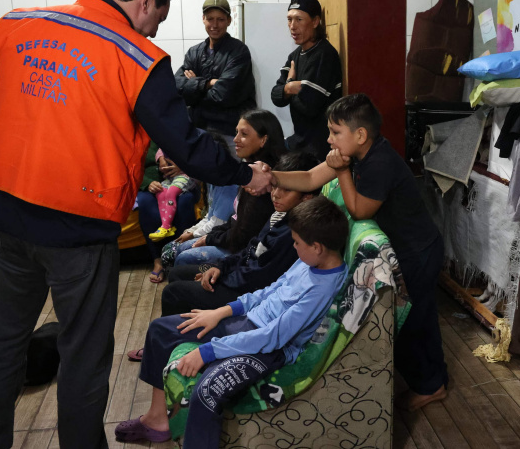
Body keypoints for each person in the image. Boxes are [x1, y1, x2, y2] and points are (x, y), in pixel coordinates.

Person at [0, 0, 273, 449]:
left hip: (6, 216)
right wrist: (244, 173)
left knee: (2, 341)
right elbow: (186, 145)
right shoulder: (137, 57)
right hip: (78, 232)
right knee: (82, 353)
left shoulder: (14, 25)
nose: (153, 30)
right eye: (159, 18)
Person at [114, 196, 349, 446]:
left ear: (317, 247)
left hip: (268, 349)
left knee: (208, 390)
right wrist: (221, 312)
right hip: (248, 323)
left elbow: (273, 337)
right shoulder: (309, 262)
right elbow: (269, 291)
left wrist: (207, 352)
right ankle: (157, 420)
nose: (293, 247)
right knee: (160, 329)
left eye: (297, 243)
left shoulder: (322, 287)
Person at [270, 93, 449, 412]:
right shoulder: (351, 153)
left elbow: (361, 210)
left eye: (335, 132)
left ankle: (431, 386)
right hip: (408, 248)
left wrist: (340, 171)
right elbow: (310, 177)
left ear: (360, 135)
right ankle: (428, 379)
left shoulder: (380, 161)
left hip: (418, 250)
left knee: (416, 320)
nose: (329, 139)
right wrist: (270, 177)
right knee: (415, 319)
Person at [126, 151, 320, 362]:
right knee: (179, 273)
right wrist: (220, 266)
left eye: (286, 189)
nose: (275, 194)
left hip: (245, 290)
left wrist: (223, 276)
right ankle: (179, 341)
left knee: (174, 292)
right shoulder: (280, 214)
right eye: (275, 186)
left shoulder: (292, 232)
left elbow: (260, 276)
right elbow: (250, 248)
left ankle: (163, 349)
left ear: (306, 196)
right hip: (238, 273)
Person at [162, 109, 285, 275]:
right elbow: (233, 219)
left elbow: (245, 234)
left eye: (244, 134)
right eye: (236, 133)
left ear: (263, 140)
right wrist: (208, 235)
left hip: (244, 251)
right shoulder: (247, 171)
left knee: (183, 258)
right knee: (175, 250)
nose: (235, 140)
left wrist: (209, 237)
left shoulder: (262, 179)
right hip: (231, 237)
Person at [175, 0, 255, 148]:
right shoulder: (194, 52)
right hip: (198, 130)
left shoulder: (238, 52)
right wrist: (208, 83)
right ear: (203, 19)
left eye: (220, 19)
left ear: (229, 21)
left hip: (230, 133)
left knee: (227, 171)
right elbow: (177, 86)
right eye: (210, 19)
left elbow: (223, 95)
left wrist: (193, 86)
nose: (215, 24)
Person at [271, 0, 342, 160]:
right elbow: (276, 96)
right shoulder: (295, 55)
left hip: (321, 148)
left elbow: (309, 106)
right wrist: (290, 87)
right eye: (289, 19)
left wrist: (287, 88)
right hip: (300, 143)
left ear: (315, 22)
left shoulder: (325, 54)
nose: (292, 26)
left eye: (299, 19)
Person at [136, 143, 200, 283]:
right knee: (146, 204)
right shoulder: (138, 136)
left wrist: (182, 166)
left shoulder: (176, 129)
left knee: (184, 202)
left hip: (182, 178)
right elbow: (130, 166)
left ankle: (179, 258)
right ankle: (158, 261)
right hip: (151, 183)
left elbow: (197, 153)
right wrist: (147, 183)